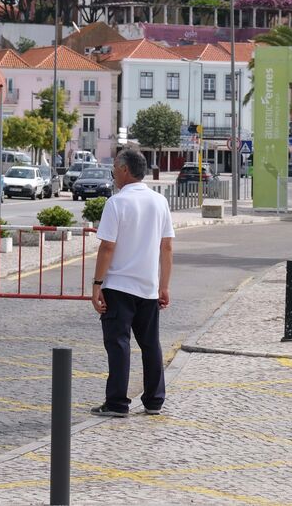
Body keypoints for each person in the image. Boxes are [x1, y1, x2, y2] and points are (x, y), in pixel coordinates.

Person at [90, 148, 174, 417]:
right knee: (151, 345)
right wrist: (164, 286)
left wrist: (96, 285)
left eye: (115, 166)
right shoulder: (159, 202)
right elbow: (167, 247)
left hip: (118, 287)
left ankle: (116, 403)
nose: (113, 172)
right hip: (148, 287)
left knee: (118, 344)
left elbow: (107, 248)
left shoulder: (116, 203)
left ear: (125, 169)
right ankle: (154, 400)